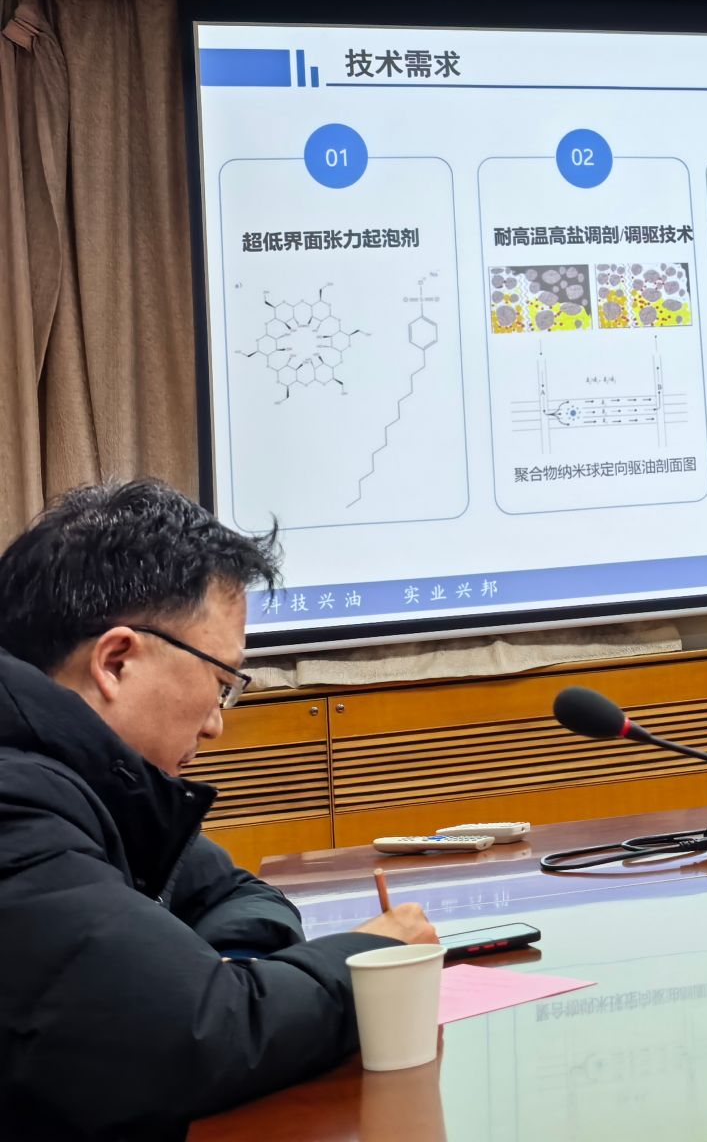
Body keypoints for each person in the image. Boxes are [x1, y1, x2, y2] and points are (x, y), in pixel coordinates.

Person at [0, 480, 439, 1140]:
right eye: (221, 681)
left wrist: (224, 965)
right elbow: (190, 1039)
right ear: (116, 661)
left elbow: (237, 891)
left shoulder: (103, 786)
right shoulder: (16, 806)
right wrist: (369, 960)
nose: (215, 723)